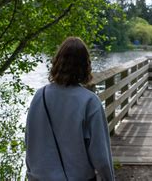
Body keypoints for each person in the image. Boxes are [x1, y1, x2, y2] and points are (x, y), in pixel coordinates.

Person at [25, 37, 114, 181]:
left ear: (57, 62)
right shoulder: (90, 101)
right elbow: (101, 155)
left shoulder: (39, 96)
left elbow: (30, 141)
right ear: (85, 66)